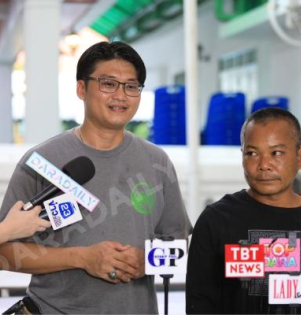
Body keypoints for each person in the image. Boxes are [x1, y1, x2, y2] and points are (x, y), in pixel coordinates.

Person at [0, 41, 192, 314]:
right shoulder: (41, 162)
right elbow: (3, 254)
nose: (121, 95)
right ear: (81, 89)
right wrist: (81, 257)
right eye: (108, 84)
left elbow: (177, 248)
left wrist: (147, 261)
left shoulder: (156, 162)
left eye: (131, 86)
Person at [186, 107, 301, 314]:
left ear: (299, 156)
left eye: (276, 153)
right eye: (252, 153)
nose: (264, 165)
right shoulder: (215, 220)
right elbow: (199, 304)